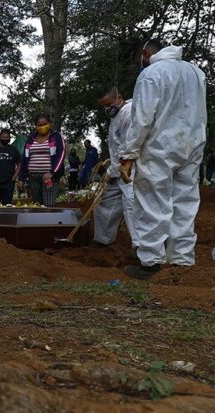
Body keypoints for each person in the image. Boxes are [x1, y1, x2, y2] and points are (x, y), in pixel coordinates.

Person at [119, 39, 207, 279]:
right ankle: (182, 260)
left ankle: (151, 262)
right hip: (192, 145)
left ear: (145, 54)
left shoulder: (151, 73)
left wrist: (128, 154)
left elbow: (142, 119)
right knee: (185, 203)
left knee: (152, 203)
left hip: (159, 147)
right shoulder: (196, 72)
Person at [94, 85, 139, 250]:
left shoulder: (129, 113)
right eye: (103, 105)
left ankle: (141, 249)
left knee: (131, 207)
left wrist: (111, 171)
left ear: (119, 97)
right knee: (105, 202)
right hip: (116, 170)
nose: (107, 108)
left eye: (109, 103)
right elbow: (116, 147)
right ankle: (103, 239)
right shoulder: (116, 117)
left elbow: (128, 148)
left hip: (130, 170)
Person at [17, 113, 66, 207]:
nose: (42, 126)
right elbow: (24, 159)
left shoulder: (56, 136)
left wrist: (52, 173)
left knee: (49, 205)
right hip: (33, 177)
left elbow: (61, 155)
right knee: (37, 206)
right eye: (39, 125)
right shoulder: (31, 139)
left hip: (49, 177)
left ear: (49, 123)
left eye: (44, 124)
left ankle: (50, 222)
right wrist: (21, 178)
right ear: (35, 126)